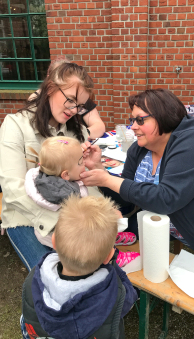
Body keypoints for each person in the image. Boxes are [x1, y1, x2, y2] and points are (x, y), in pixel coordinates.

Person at [81, 88, 194, 339]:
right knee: (101, 244)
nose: (134, 127)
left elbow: (167, 198)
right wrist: (99, 171)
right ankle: (109, 302)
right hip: (168, 226)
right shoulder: (138, 150)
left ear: (163, 117)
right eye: (132, 120)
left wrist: (109, 179)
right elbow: (128, 203)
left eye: (140, 119)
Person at [0, 62, 94, 271]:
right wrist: (63, 223)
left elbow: (86, 183)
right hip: (25, 216)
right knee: (52, 274)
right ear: (50, 88)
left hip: (70, 215)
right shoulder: (14, 126)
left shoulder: (79, 131)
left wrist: (95, 169)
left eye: (80, 106)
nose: (74, 110)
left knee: (91, 265)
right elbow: (12, 190)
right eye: (70, 101)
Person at [21, 195, 138, 339]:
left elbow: (27, 317)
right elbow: (130, 297)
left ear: (54, 242)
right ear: (108, 256)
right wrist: (112, 263)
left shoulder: (34, 278)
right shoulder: (113, 291)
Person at [24, 135, 139, 265]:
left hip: (58, 233)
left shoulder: (50, 179)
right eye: (80, 162)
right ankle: (113, 256)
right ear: (65, 175)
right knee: (94, 241)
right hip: (74, 240)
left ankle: (111, 238)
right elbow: (88, 219)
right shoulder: (66, 195)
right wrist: (110, 216)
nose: (84, 163)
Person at [29, 57, 106, 139]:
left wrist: (80, 137)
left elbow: (99, 126)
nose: (75, 111)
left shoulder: (80, 98)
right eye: (70, 100)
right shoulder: (35, 99)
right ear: (49, 81)